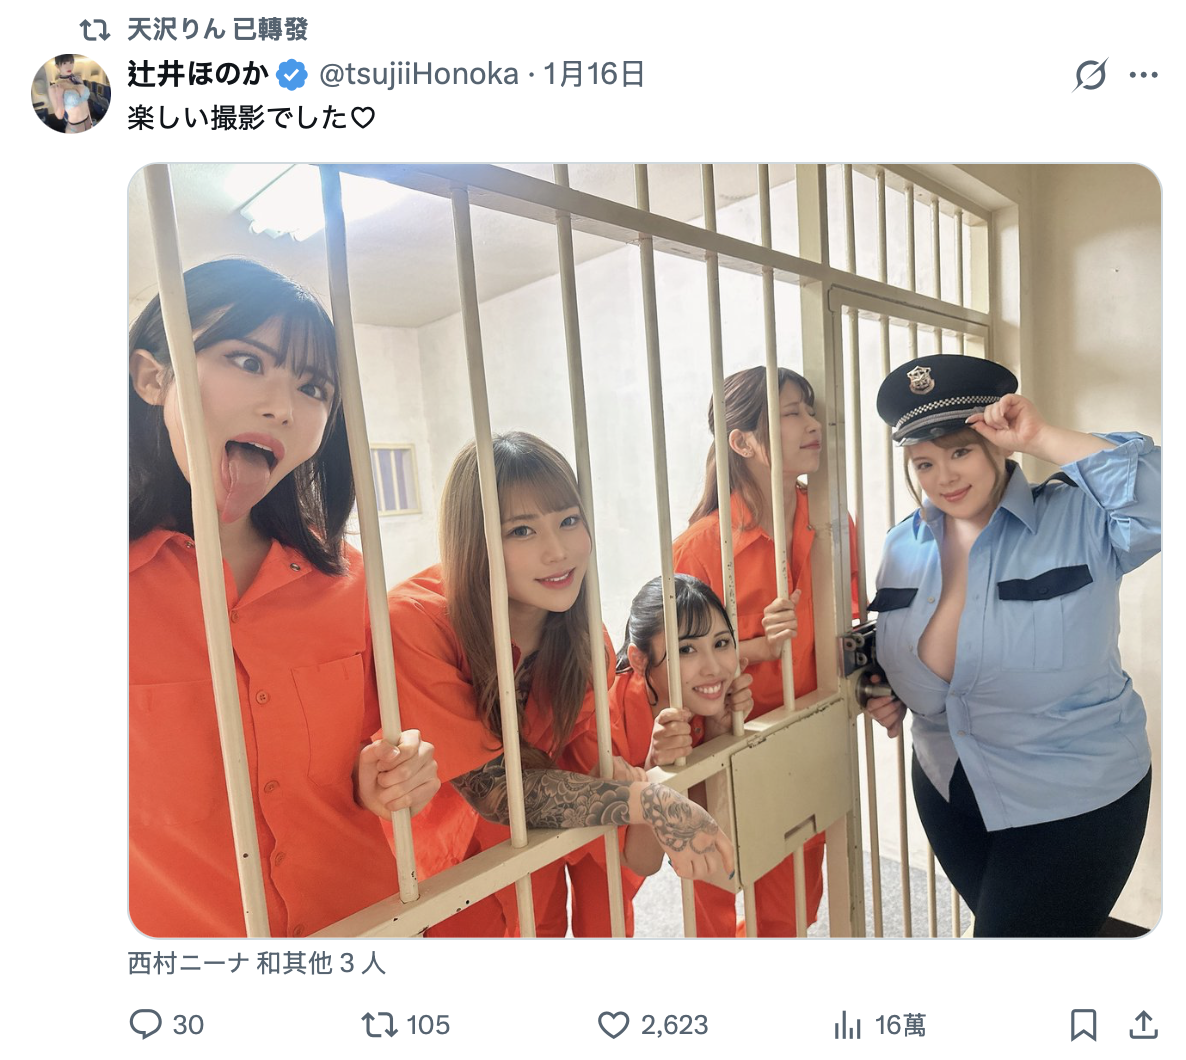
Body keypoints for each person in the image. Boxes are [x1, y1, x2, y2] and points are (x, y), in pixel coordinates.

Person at [129, 259, 439, 937]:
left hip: (367, 934)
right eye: (247, 360)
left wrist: (388, 775)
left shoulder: (346, 581)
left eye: (313, 387)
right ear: (153, 377)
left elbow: (377, 742)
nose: (283, 407)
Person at [388, 431, 734, 937]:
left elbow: (583, 775)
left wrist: (640, 780)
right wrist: (652, 801)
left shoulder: (588, 641)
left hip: (537, 863)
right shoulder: (416, 621)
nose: (558, 551)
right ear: (474, 541)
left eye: (569, 520)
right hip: (444, 883)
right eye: (521, 530)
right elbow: (496, 791)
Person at [866, 354, 1158, 936]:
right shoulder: (904, 543)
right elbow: (902, 641)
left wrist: (1043, 436)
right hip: (950, 787)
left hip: (1073, 795)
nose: (944, 477)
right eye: (924, 463)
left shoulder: (1081, 518)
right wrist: (887, 686)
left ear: (997, 445)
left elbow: (1163, 498)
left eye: (960, 452)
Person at [673, 365, 860, 937]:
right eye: (791, 413)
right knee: (718, 897)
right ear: (742, 442)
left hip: (808, 730)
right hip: (726, 742)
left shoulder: (833, 522)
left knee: (792, 906)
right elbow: (673, 665)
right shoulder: (700, 547)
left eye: (810, 409)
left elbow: (852, 619)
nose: (813, 424)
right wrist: (754, 646)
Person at [49, 54, 93, 133]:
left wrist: (91, 121)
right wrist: (59, 96)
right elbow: (59, 116)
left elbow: (85, 103)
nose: (69, 66)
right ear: (57, 66)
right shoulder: (54, 88)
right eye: (65, 63)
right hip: (74, 128)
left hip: (88, 122)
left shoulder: (78, 79)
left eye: (71, 62)